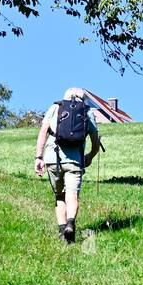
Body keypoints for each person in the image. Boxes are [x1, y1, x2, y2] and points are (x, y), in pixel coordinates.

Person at [34, 87, 101, 243]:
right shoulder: (87, 112)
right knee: (72, 195)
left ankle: (62, 230)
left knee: (59, 196)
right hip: (75, 161)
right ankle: (71, 222)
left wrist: (39, 157)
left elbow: (43, 132)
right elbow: (95, 142)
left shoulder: (55, 108)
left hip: (52, 159)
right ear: (82, 98)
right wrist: (89, 156)